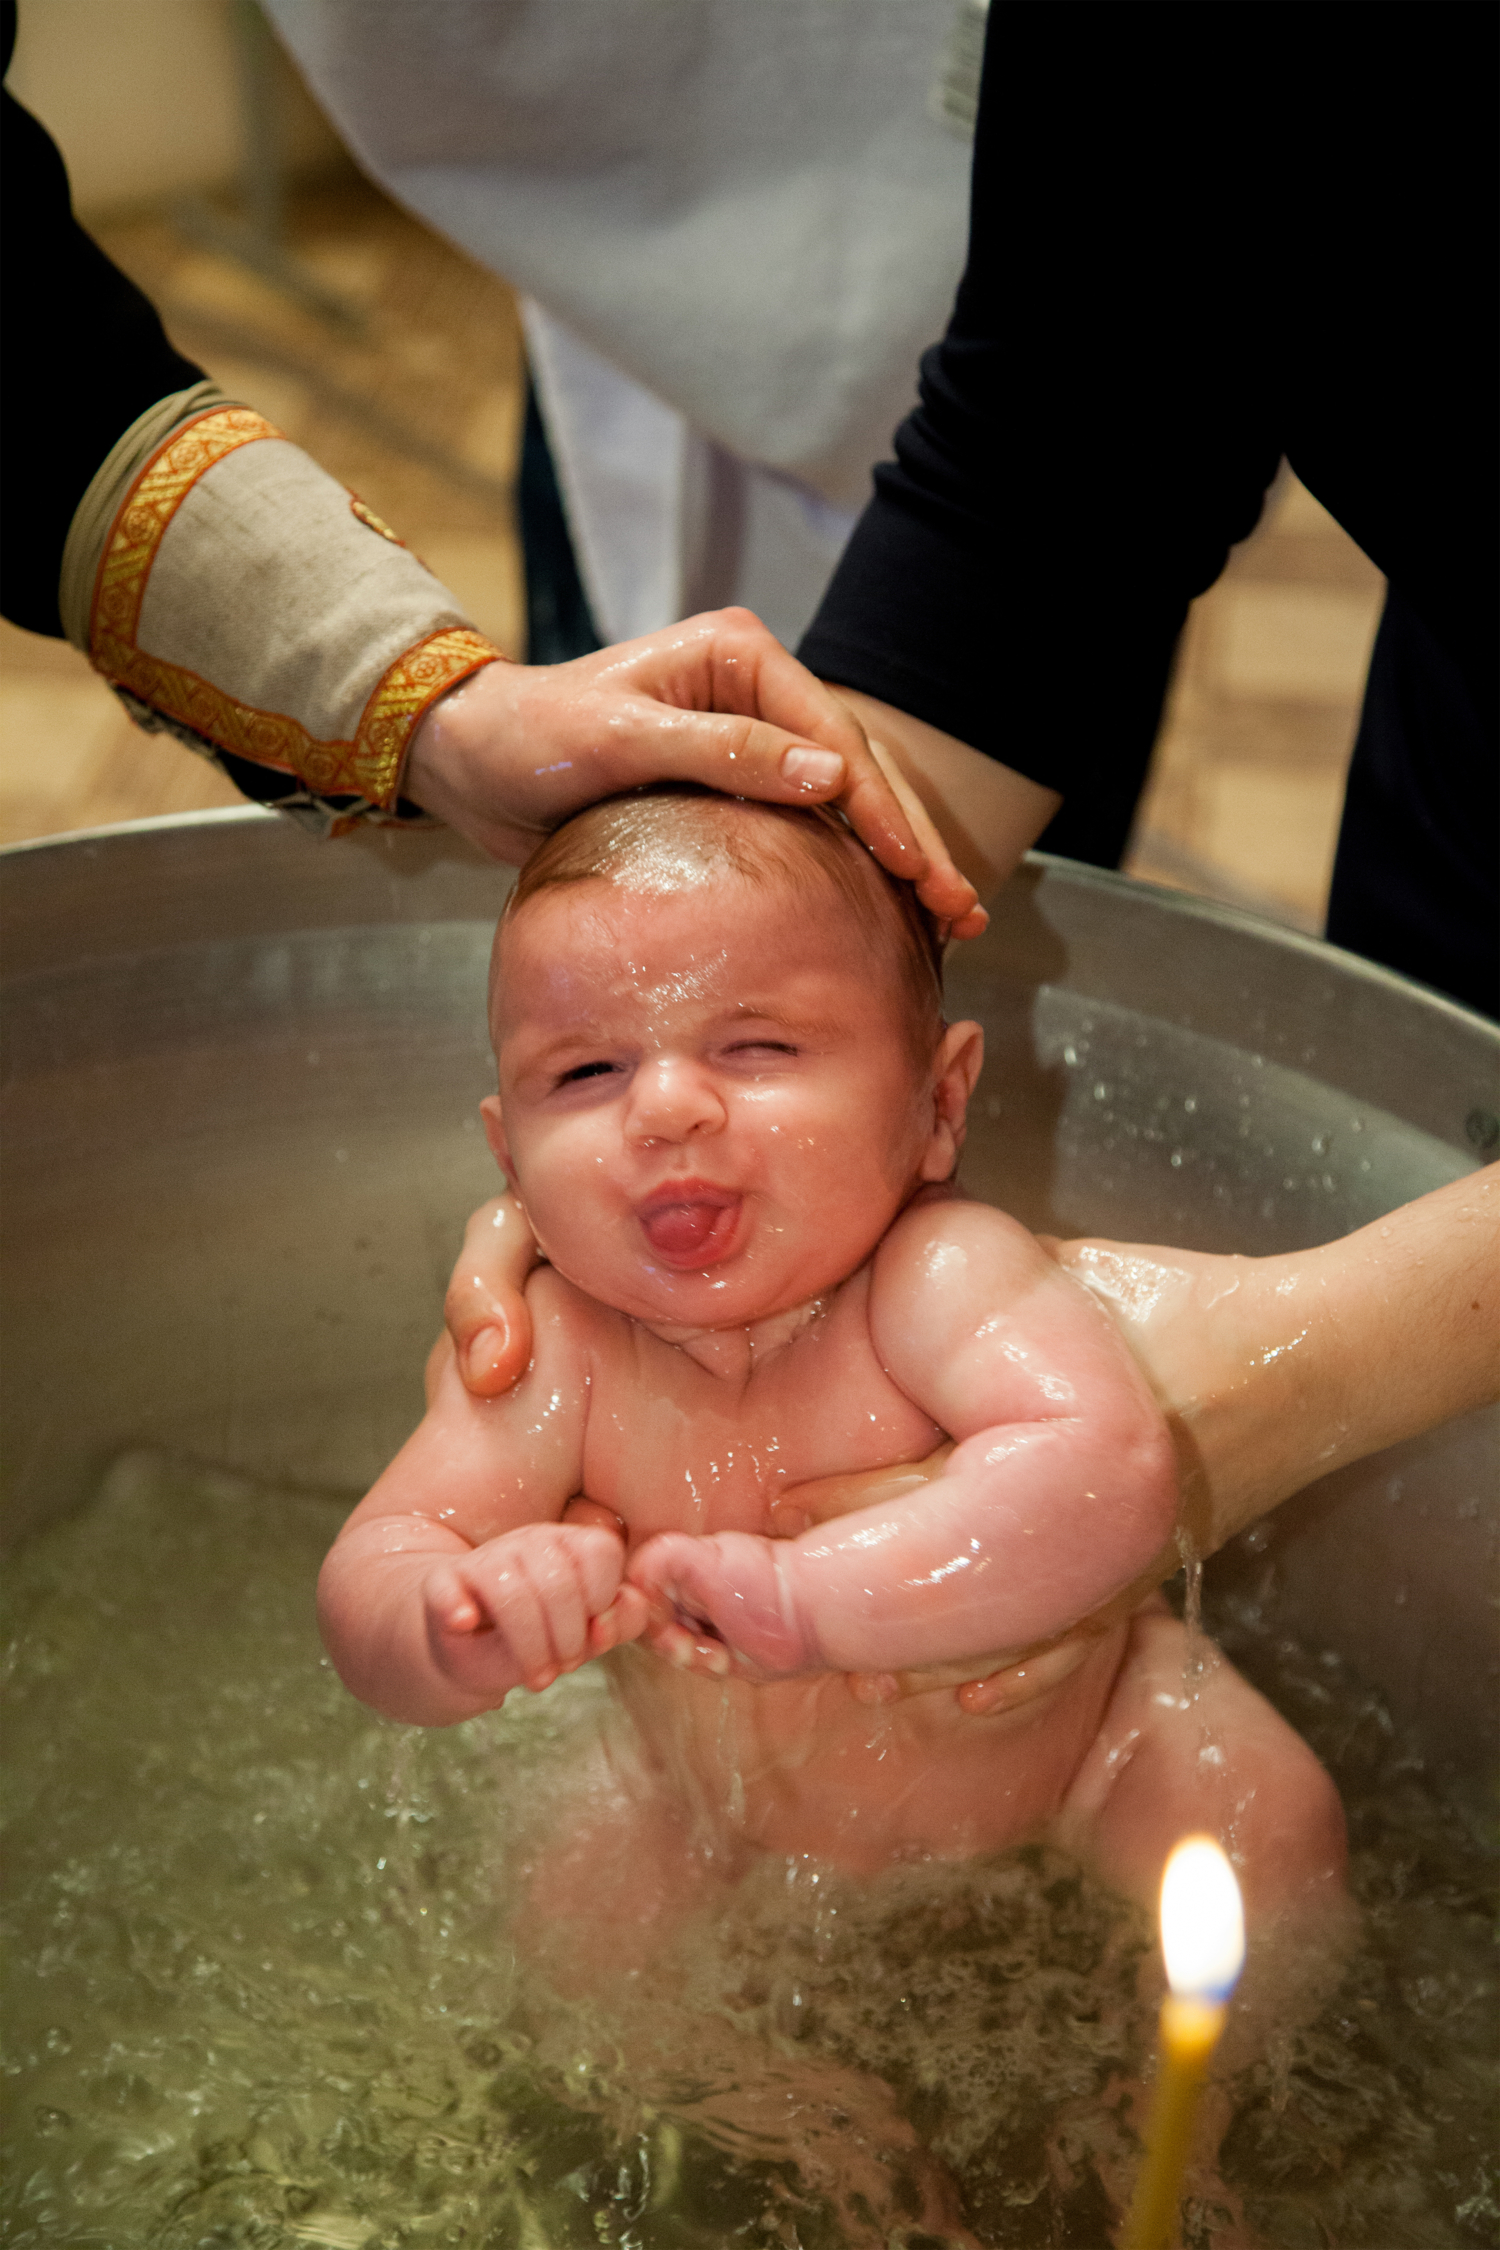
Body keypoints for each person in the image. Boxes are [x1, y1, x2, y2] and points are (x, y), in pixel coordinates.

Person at [318, 787, 1347, 1919]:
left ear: (941, 1103)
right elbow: (381, 1557)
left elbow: (1109, 1469)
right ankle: (746, 2092)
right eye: (583, 1073)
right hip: (707, 1803)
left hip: (1081, 1763)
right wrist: (453, 1618)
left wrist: (808, 1600)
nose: (665, 1108)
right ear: (508, 1159)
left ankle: (1179, 2091)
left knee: (1268, 1820)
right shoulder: (560, 1349)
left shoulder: (937, 1279)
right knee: (572, 1900)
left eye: (755, 1046)